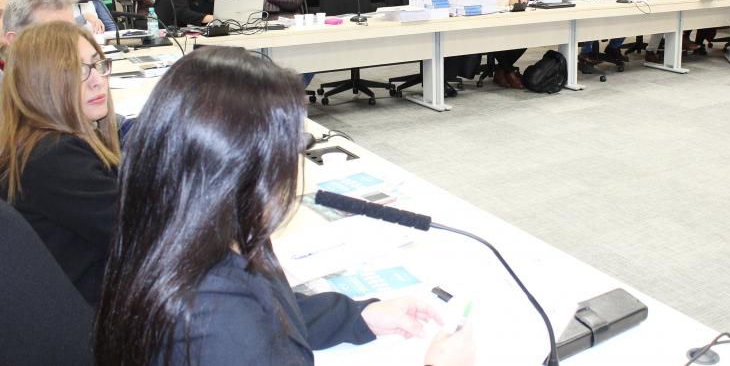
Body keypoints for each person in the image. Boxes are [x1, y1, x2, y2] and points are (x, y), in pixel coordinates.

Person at [94, 46, 473, 365]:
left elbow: (274, 312)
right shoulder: (215, 315)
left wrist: (359, 316)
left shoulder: (192, 229)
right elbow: (251, 325)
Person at [0, 21, 119, 307]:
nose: (96, 80)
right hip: (94, 317)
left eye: (97, 64)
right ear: (40, 84)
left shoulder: (40, 143)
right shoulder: (53, 157)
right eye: (77, 71)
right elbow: (143, 232)